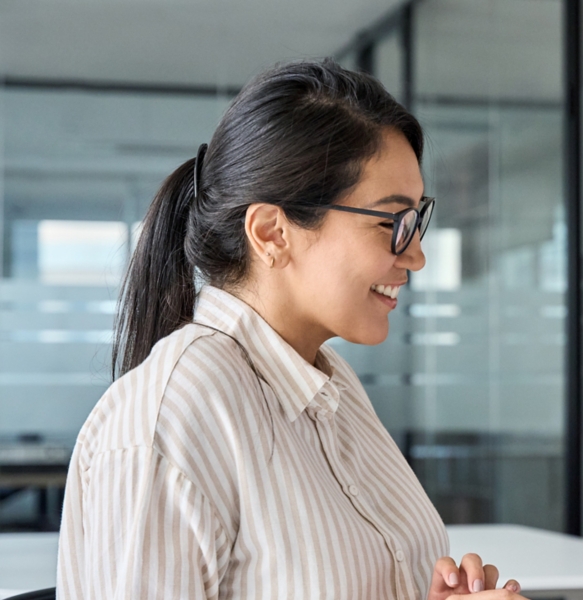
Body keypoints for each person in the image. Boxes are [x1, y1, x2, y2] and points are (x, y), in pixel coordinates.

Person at [56, 60, 528, 600]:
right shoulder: (175, 416)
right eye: (391, 223)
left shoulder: (333, 387)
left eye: (416, 220)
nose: (416, 255)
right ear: (272, 232)